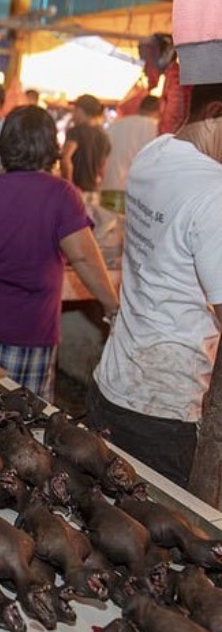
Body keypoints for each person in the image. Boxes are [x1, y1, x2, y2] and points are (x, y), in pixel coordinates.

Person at [0, 105, 119, 400]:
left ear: (4, 145)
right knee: (22, 419)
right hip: (28, 333)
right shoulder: (62, 195)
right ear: (50, 148)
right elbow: (83, 256)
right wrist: (112, 304)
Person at [87, 83, 222, 489]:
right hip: (165, 408)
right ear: (215, 112)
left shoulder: (154, 153)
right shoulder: (214, 192)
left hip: (113, 381)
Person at [100, 94, 160, 213]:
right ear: (159, 110)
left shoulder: (116, 125)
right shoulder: (157, 128)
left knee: (106, 229)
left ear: (139, 107)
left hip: (110, 188)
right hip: (139, 195)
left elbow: (102, 155)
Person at [60, 94, 111, 197]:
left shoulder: (75, 132)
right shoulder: (104, 136)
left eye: (74, 110)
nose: (73, 114)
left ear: (80, 111)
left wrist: (69, 185)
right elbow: (103, 168)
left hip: (76, 189)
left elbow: (65, 158)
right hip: (93, 191)